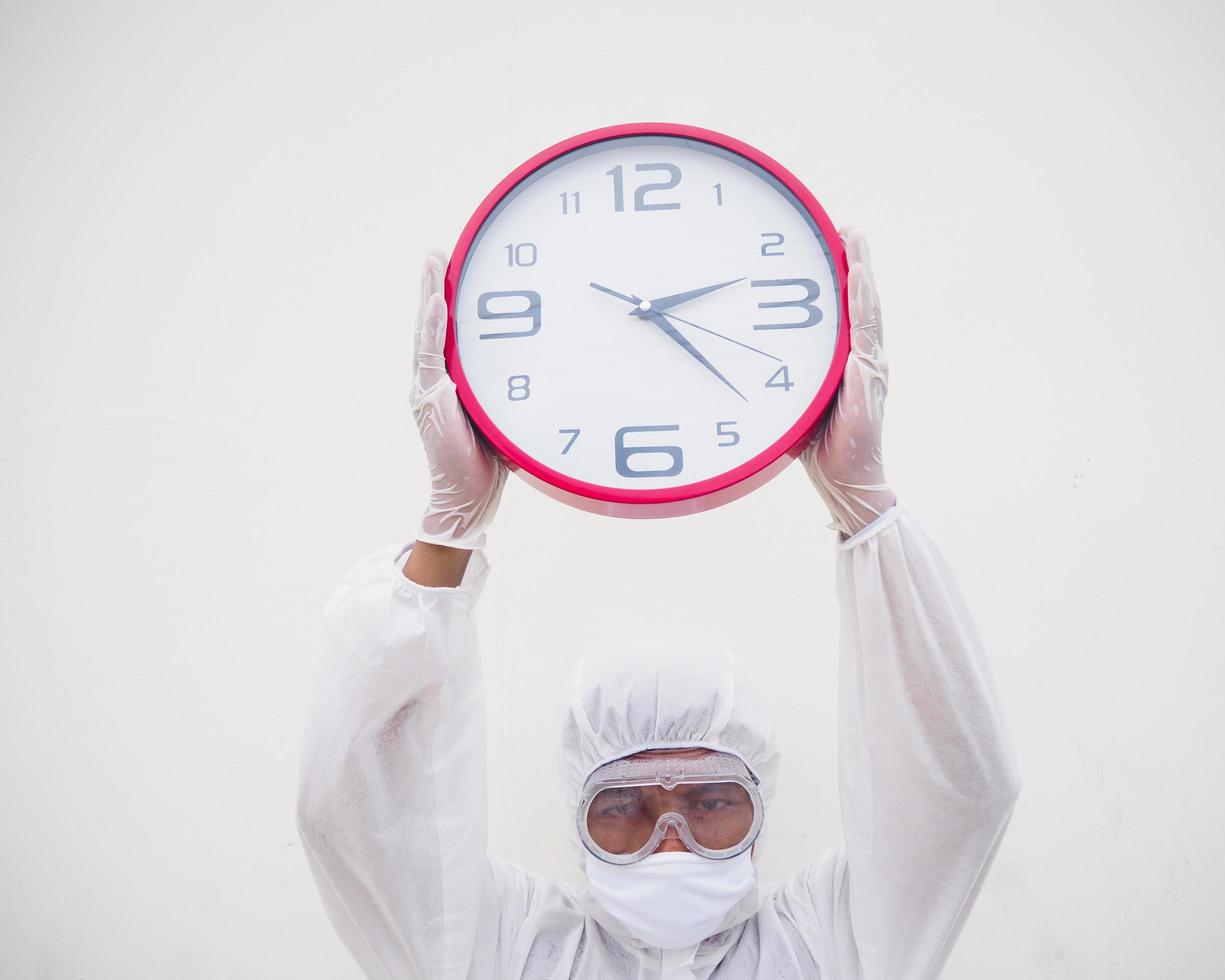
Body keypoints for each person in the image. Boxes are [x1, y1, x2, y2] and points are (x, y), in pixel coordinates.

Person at [296, 228, 1022, 979]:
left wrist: (867, 509)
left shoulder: (834, 937)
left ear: (760, 805)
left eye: (710, 802)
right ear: (576, 814)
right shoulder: (503, 945)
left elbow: (958, 791)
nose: (669, 841)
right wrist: (448, 531)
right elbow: (351, 814)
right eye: (623, 809)